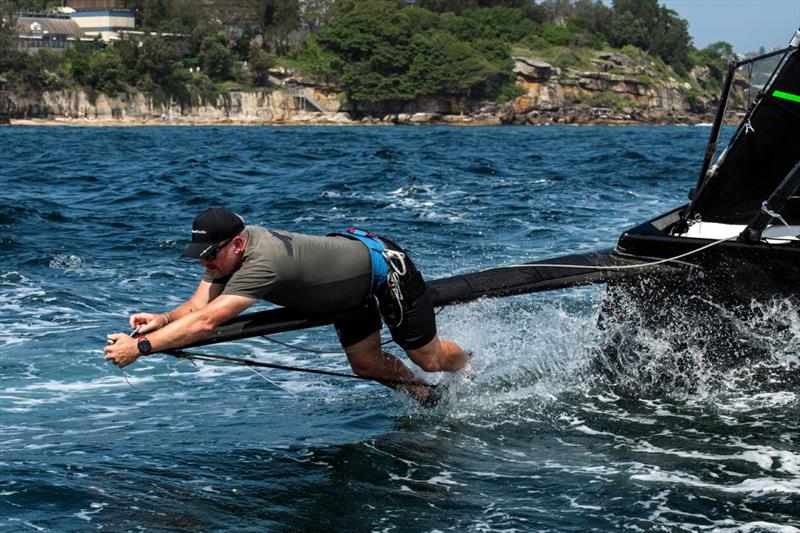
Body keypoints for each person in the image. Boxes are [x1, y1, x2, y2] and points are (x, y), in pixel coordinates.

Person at [104, 207, 469, 405]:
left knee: (429, 359)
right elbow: (199, 306)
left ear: (236, 245)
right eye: (200, 256)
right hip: (344, 288)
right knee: (366, 365)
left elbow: (206, 323)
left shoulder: (262, 263)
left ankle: (469, 372)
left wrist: (139, 348)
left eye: (211, 254)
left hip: (383, 269)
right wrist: (163, 319)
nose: (205, 263)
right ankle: (428, 397)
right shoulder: (224, 257)